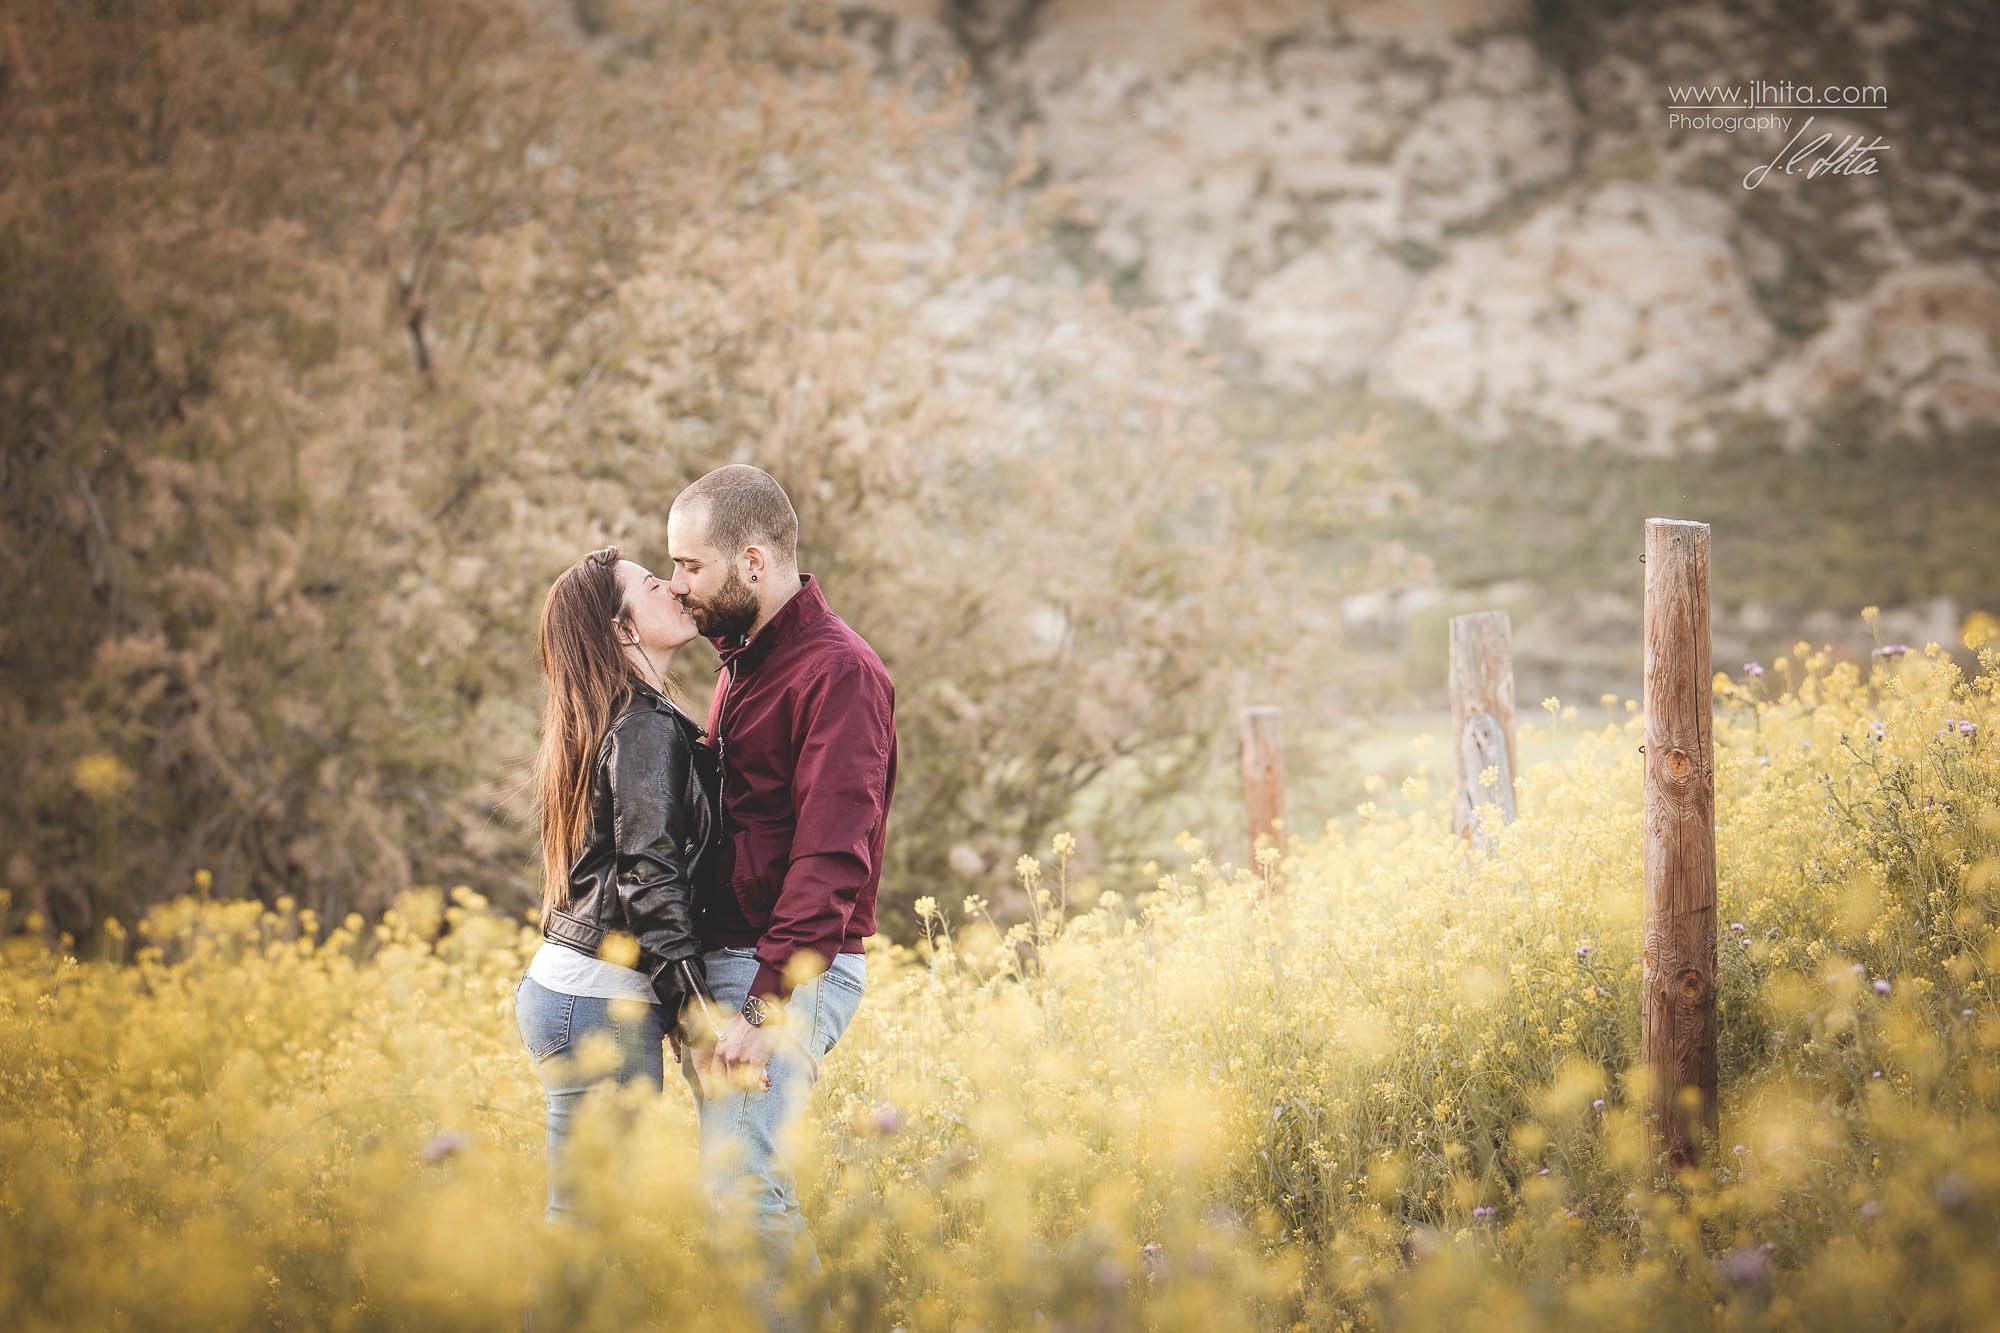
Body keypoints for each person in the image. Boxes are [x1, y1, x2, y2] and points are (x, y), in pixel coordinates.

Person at [665, 465, 897, 1313]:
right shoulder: (743, 665)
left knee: (746, 1188)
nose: (679, 586)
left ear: (753, 561)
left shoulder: (840, 673)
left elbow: (834, 854)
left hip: (788, 971)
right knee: (734, 1196)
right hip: (737, 968)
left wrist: (765, 1006)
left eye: (691, 566)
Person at [513, 545, 725, 1226]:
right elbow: (648, 879)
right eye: (652, 584)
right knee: (589, 1233)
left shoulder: (623, 715)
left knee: (582, 1223)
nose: (675, 587)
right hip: (597, 1002)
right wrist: (698, 1019)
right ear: (621, 629)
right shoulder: (640, 728)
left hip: (574, 991)